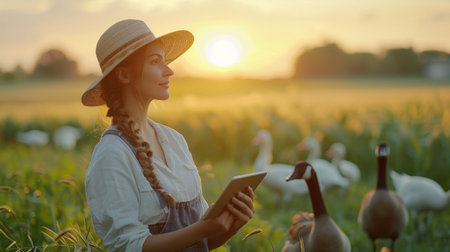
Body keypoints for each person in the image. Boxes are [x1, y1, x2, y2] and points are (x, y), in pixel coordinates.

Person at [82, 19, 255, 251]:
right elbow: (128, 246)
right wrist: (204, 228)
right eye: (155, 61)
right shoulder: (112, 155)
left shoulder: (175, 140)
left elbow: (200, 242)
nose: (169, 70)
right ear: (124, 75)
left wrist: (231, 224)